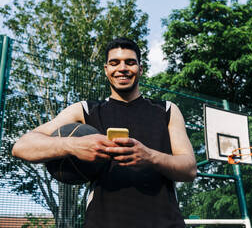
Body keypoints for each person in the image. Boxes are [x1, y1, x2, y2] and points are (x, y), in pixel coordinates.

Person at [12, 37, 197, 228]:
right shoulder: (84, 110)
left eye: (130, 62)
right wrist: (73, 145)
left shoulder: (167, 110)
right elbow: (22, 146)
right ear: (106, 70)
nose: (122, 68)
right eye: (114, 63)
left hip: (165, 223)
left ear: (140, 69)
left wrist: (149, 156)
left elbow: (189, 168)